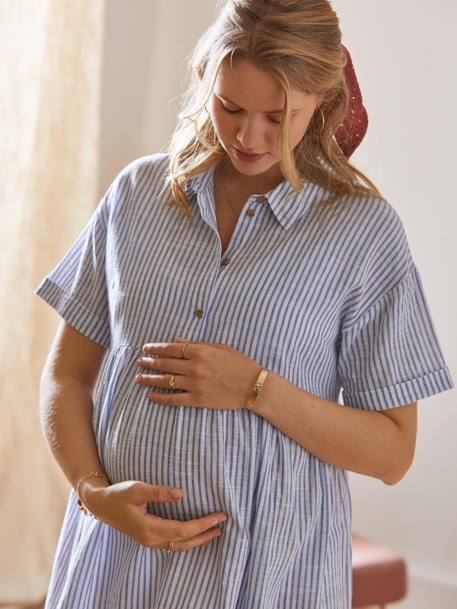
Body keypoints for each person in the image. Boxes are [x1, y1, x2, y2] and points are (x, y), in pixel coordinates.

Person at [35, 1, 454, 608]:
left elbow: (393, 453)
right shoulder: (137, 196)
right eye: (230, 107)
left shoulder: (362, 233)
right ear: (206, 76)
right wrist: (90, 490)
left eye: (277, 116)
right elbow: (67, 375)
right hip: (116, 563)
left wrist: (256, 387)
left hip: (272, 574)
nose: (248, 136)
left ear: (322, 102)